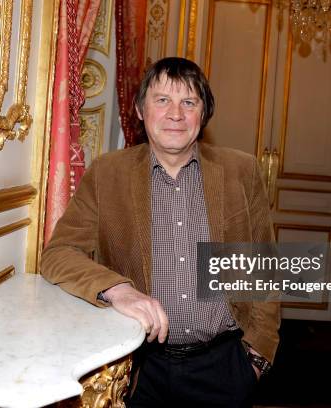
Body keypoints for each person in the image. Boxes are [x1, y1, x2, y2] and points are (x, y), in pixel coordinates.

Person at [41, 57, 280, 407]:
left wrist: (257, 356)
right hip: (138, 368)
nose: (176, 114)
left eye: (189, 102)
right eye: (162, 99)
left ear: (204, 113)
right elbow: (57, 255)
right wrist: (116, 289)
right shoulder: (108, 173)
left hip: (225, 367)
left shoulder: (241, 170)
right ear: (140, 109)